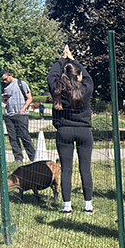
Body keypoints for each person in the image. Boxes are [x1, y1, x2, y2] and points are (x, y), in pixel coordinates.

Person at [47, 45, 94, 214]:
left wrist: (61, 59)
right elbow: (87, 76)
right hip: (84, 132)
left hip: (64, 131)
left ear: (63, 77)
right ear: (79, 76)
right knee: (85, 168)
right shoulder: (86, 89)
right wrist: (73, 59)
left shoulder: (58, 91)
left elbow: (51, 75)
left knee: (66, 169)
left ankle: (67, 205)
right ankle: (87, 205)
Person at [0, 69, 36, 162]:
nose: (5, 81)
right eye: (2, 80)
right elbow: (4, 102)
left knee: (25, 136)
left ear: (9, 75)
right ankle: (18, 158)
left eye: (5, 79)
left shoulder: (21, 83)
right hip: (9, 114)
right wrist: (3, 98)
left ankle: (33, 157)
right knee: (13, 138)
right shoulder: (4, 86)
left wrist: (23, 108)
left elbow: (29, 98)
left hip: (21, 114)